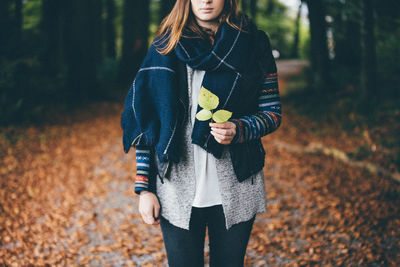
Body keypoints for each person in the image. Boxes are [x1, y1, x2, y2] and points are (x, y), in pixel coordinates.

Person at [120, 0, 282, 266]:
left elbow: (272, 112)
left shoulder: (253, 43)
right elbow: (148, 124)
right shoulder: (165, 45)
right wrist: (144, 188)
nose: (206, 0)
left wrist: (240, 129)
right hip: (176, 187)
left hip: (237, 184)